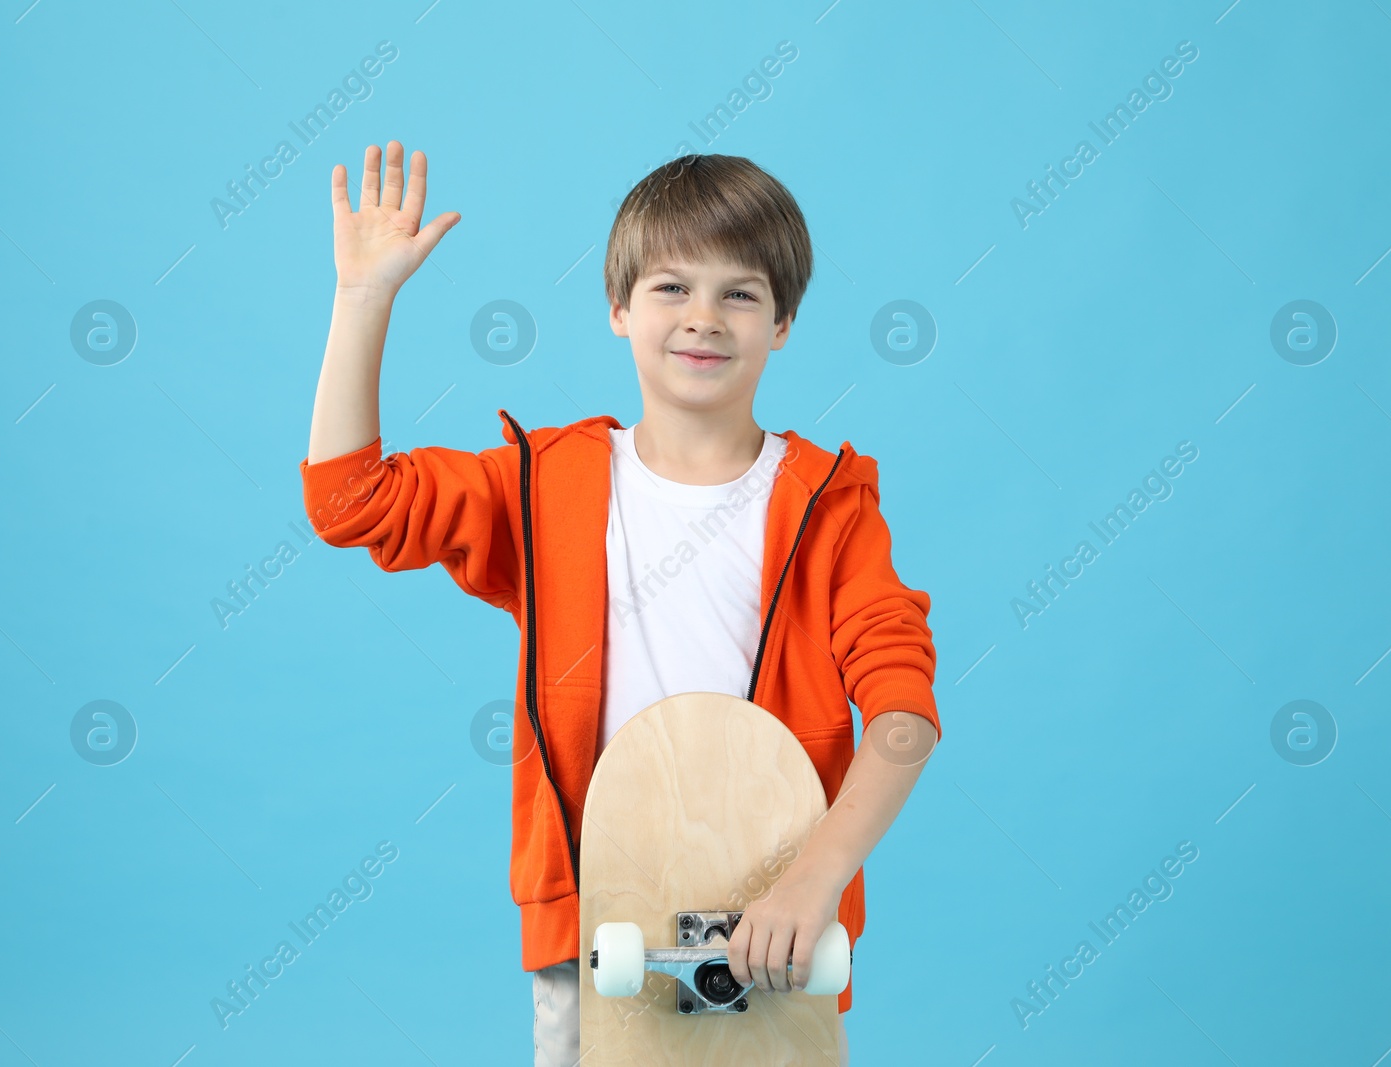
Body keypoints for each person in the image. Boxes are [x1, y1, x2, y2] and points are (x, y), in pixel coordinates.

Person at [301, 142, 942, 1065]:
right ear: (618, 308)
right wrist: (363, 300)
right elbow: (349, 501)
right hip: (596, 928)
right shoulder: (542, 487)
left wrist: (814, 882)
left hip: (778, 928)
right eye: (671, 288)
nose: (704, 319)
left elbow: (903, 719)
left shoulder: (830, 503)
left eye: (741, 293)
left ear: (785, 322)